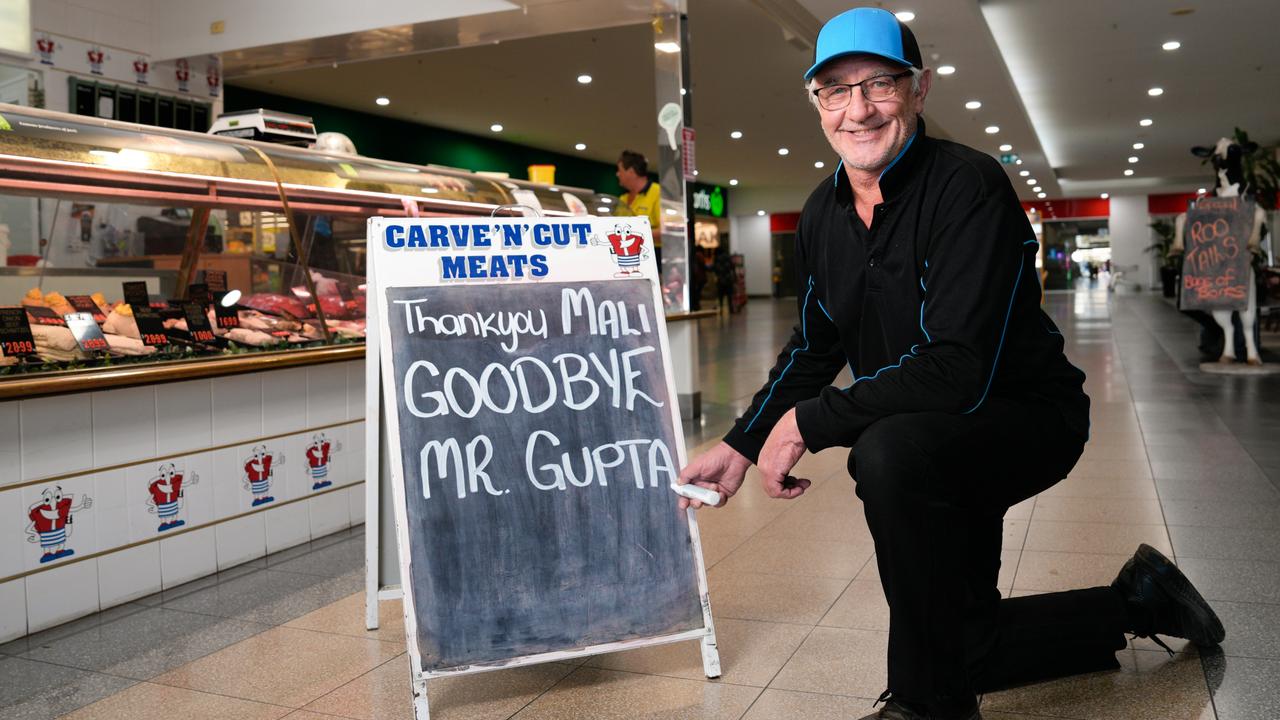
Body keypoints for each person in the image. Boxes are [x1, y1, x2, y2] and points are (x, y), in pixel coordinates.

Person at [676, 8, 1224, 720]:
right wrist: (743, 440)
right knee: (960, 638)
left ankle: (926, 707)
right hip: (928, 425)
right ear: (817, 104)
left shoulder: (968, 188)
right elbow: (816, 344)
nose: (858, 108)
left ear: (919, 90)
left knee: (888, 451)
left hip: (1023, 416)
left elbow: (958, 366)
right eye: (835, 91)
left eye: (879, 84)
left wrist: (812, 422)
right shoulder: (820, 214)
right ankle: (1135, 601)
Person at [615, 150, 663, 268]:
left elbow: (667, 230)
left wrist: (636, 236)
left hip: (653, 258)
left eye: (620, 170)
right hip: (624, 258)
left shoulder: (658, 192)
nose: (617, 174)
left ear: (631, 172)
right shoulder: (622, 199)